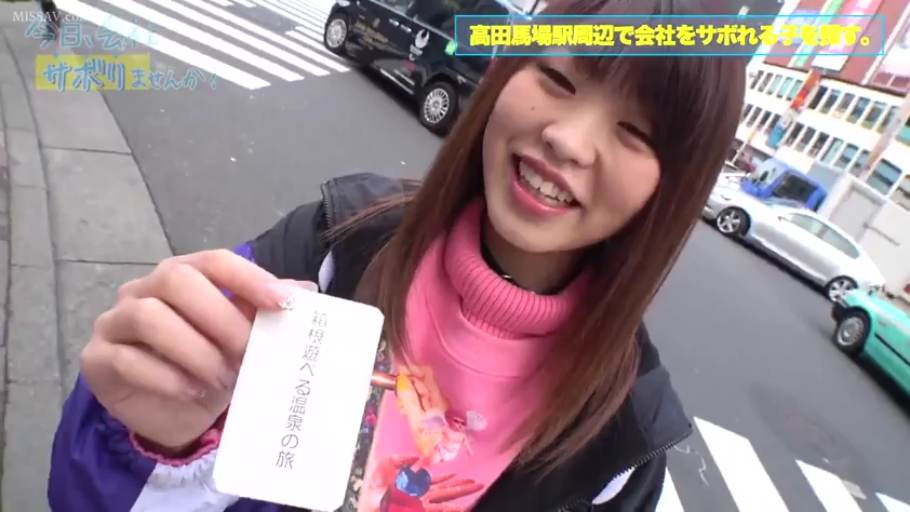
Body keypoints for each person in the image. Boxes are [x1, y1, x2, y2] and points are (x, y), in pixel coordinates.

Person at [46, 0, 745, 509]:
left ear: (673, 190)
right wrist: (150, 443)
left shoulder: (623, 444)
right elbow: (93, 492)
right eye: (558, 79)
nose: (568, 139)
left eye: (634, 133)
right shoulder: (335, 244)